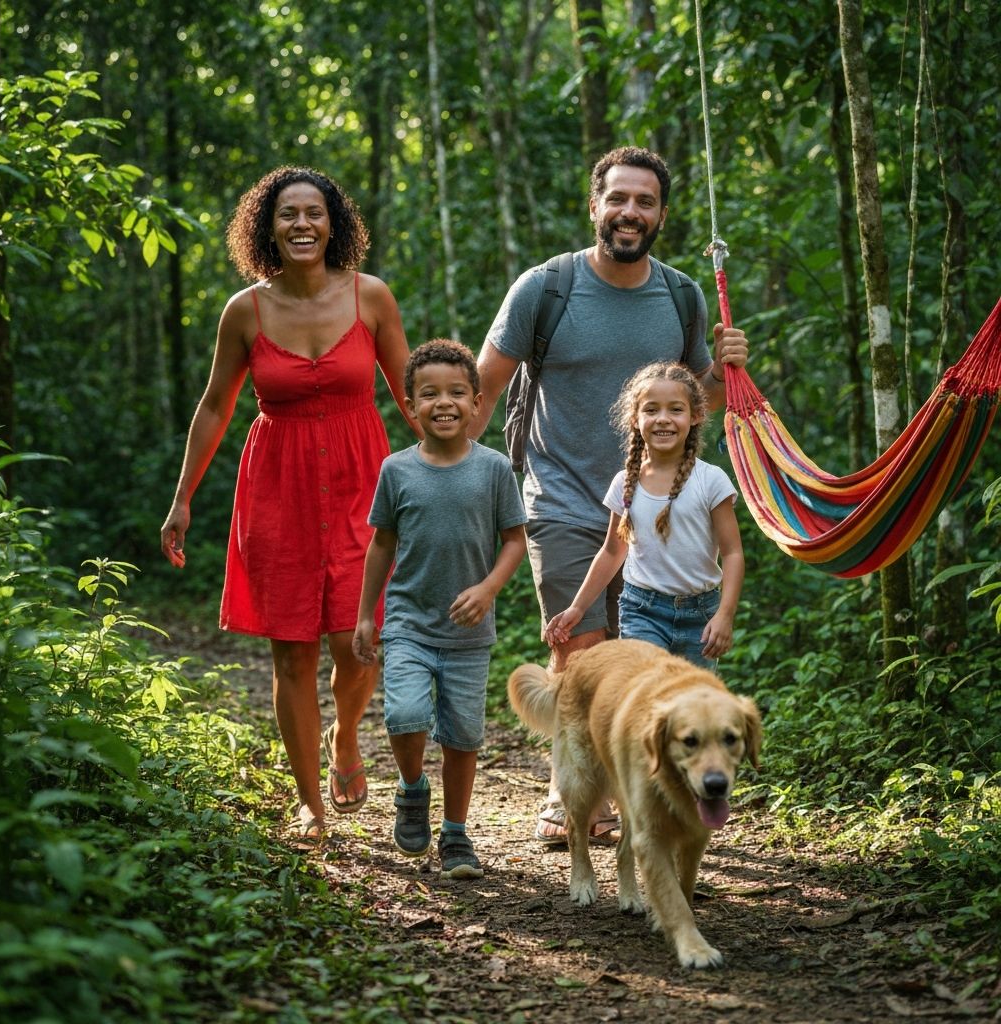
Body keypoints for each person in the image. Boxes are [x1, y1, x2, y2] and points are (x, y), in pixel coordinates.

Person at [469, 145, 750, 845]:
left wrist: (731, 365)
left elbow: (700, 403)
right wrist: (448, 480)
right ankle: (573, 796)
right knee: (583, 651)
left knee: (649, 661)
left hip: (656, 508)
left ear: (660, 214)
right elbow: (482, 390)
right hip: (562, 497)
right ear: (595, 205)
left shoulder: (682, 295)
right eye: (617, 199)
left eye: (644, 202)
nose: (630, 213)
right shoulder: (546, 288)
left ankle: (642, 794)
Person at [160, 165, 416, 840]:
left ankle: (347, 736)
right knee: (293, 652)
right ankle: (311, 802)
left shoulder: (372, 298)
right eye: (287, 214)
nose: (302, 224)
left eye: (314, 213)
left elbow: (413, 395)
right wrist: (181, 498)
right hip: (278, 490)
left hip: (364, 483)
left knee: (357, 643)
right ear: (266, 228)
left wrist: (459, 470)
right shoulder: (246, 309)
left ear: (334, 223)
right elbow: (216, 404)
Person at [353, 339, 527, 879]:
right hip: (408, 620)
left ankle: (455, 835)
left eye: (456, 392)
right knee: (404, 714)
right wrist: (366, 615)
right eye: (429, 394)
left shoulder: (494, 469)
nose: (443, 403)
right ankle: (411, 789)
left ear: (477, 402)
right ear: (410, 406)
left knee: (463, 735)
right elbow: (382, 543)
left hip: (468, 632)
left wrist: (488, 588)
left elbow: (516, 539)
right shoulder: (397, 470)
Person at [545, 361, 743, 665]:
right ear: (635, 418)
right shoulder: (625, 483)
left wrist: (725, 615)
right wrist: (578, 608)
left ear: (696, 416)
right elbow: (612, 552)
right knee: (645, 691)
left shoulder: (711, 480)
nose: (663, 419)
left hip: (700, 616)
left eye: (675, 409)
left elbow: (732, 553)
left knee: (688, 705)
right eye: (651, 410)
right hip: (642, 610)